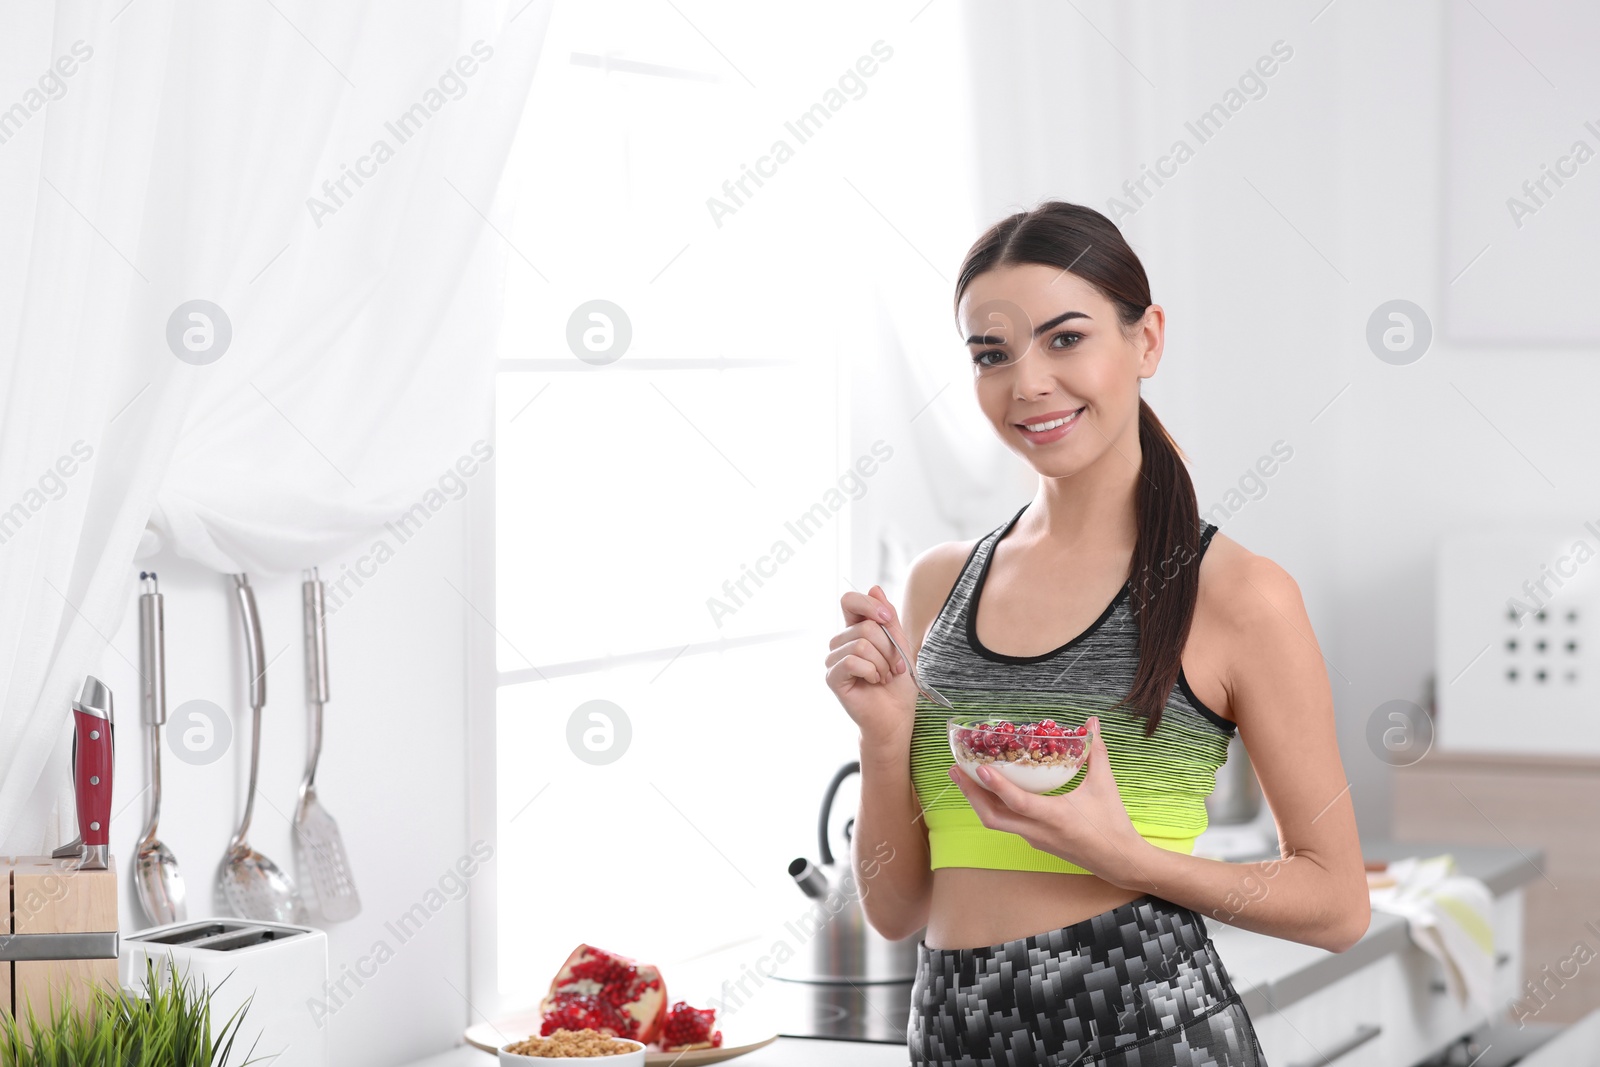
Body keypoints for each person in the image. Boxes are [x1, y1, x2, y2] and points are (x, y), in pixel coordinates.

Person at [823, 200, 1369, 1066]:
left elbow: (1338, 903)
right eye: (991, 354)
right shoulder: (941, 583)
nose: (1028, 382)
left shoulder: (1237, 595)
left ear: (1146, 339)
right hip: (950, 1035)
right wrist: (886, 740)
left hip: (1148, 1030)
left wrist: (1125, 855)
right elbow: (898, 910)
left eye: (1065, 338)